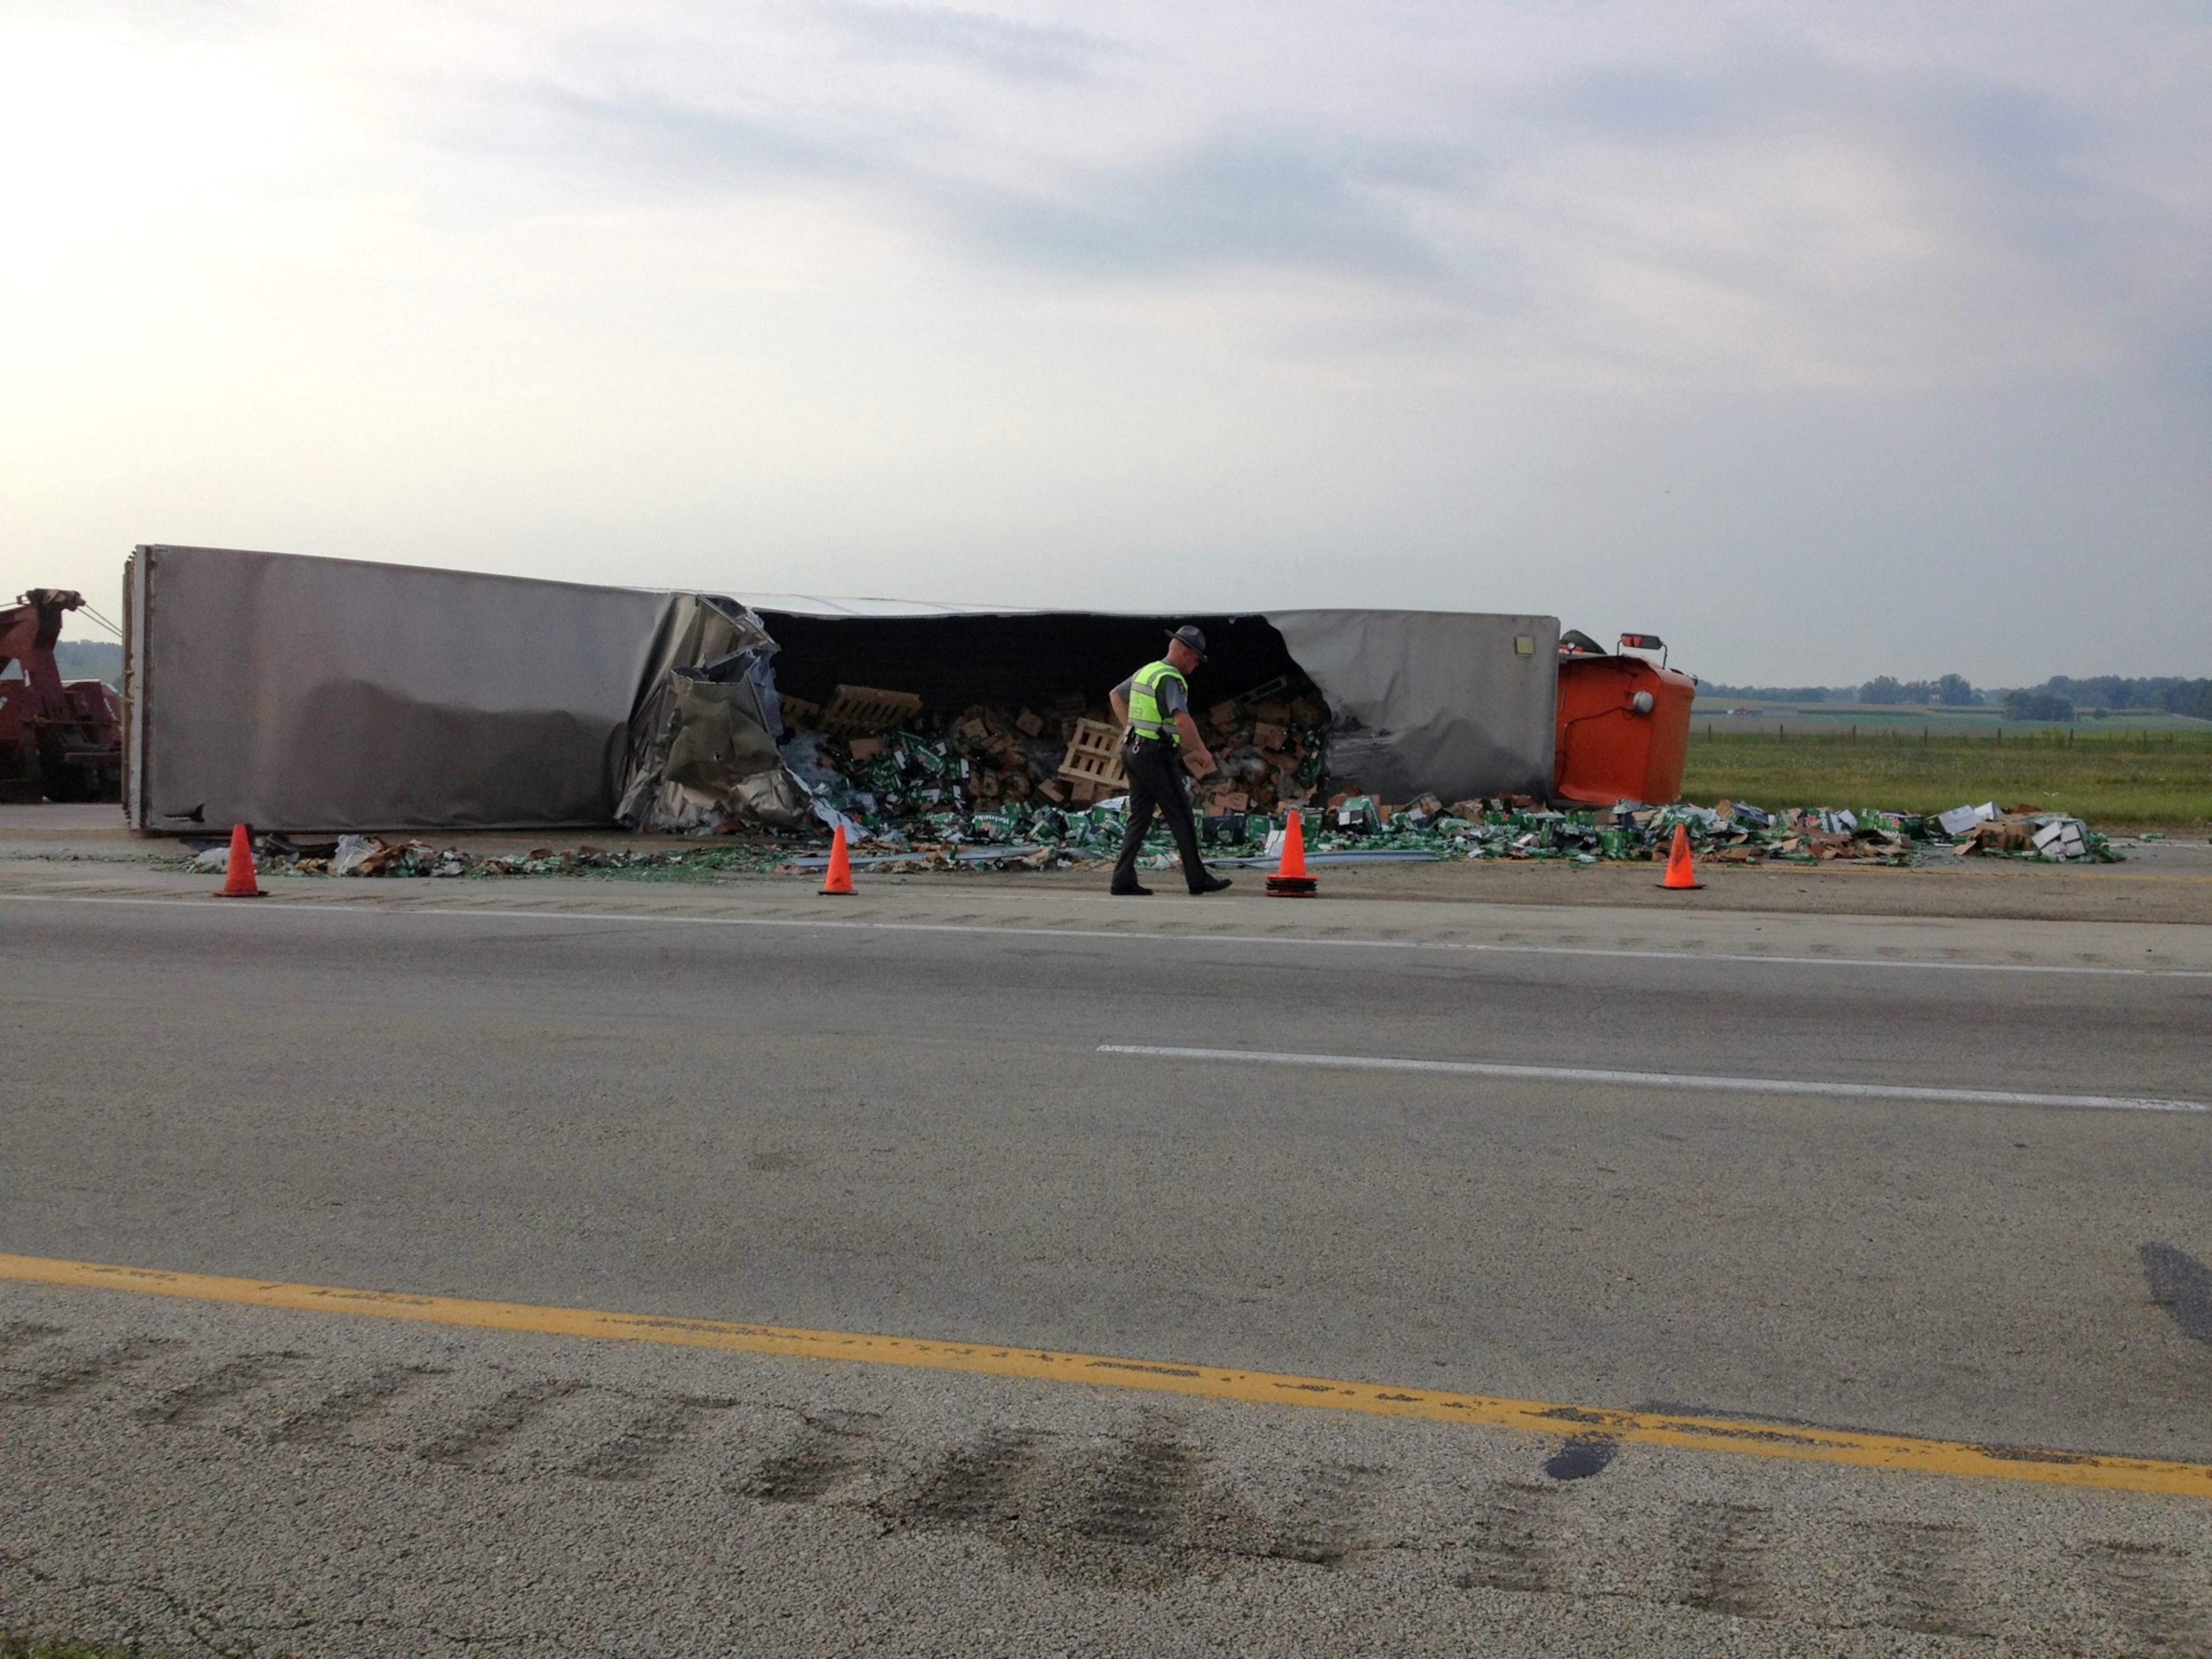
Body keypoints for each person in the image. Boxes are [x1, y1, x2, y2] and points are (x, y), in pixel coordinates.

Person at [1106, 625, 1233, 897]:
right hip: (1154, 754)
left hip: (1133, 750)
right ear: (1185, 653)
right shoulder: (1171, 679)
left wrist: (1130, 728)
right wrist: (1201, 751)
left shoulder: (1148, 671)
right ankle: (1197, 879)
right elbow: (1181, 719)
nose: (1197, 663)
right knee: (1182, 814)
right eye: (1197, 657)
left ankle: (1122, 878)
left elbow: (1115, 695)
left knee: (1139, 816)